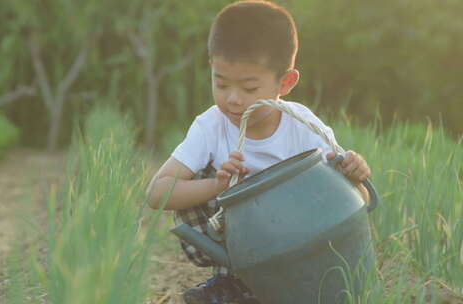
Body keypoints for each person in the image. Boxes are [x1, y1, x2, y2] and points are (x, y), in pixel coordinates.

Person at [146, 1, 372, 303]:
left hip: (306, 245)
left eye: (249, 88)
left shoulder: (302, 127)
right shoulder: (210, 127)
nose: (233, 99)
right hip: (244, 248)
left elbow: (360, 202)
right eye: (220, 83)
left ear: (286, 82)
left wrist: (354, 176)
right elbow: (157, 193)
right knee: (194, 180)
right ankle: (235, 283)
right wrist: (217, 186)